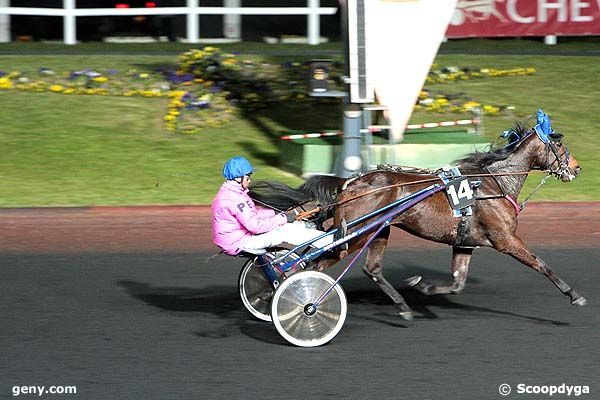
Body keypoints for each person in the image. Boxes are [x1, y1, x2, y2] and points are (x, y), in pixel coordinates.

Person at [211, 156, 334, 256]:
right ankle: (331, 241)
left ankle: (314, 231)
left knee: (288, 226)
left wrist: (273, 212)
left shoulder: (231, 194)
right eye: (247, 177)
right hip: (240, 242)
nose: (250, 181)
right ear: (238, 178)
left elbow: (252, 216)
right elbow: (255, 226)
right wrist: (283, 218)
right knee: (285, 231)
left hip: (239, 238)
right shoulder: (235, 199)